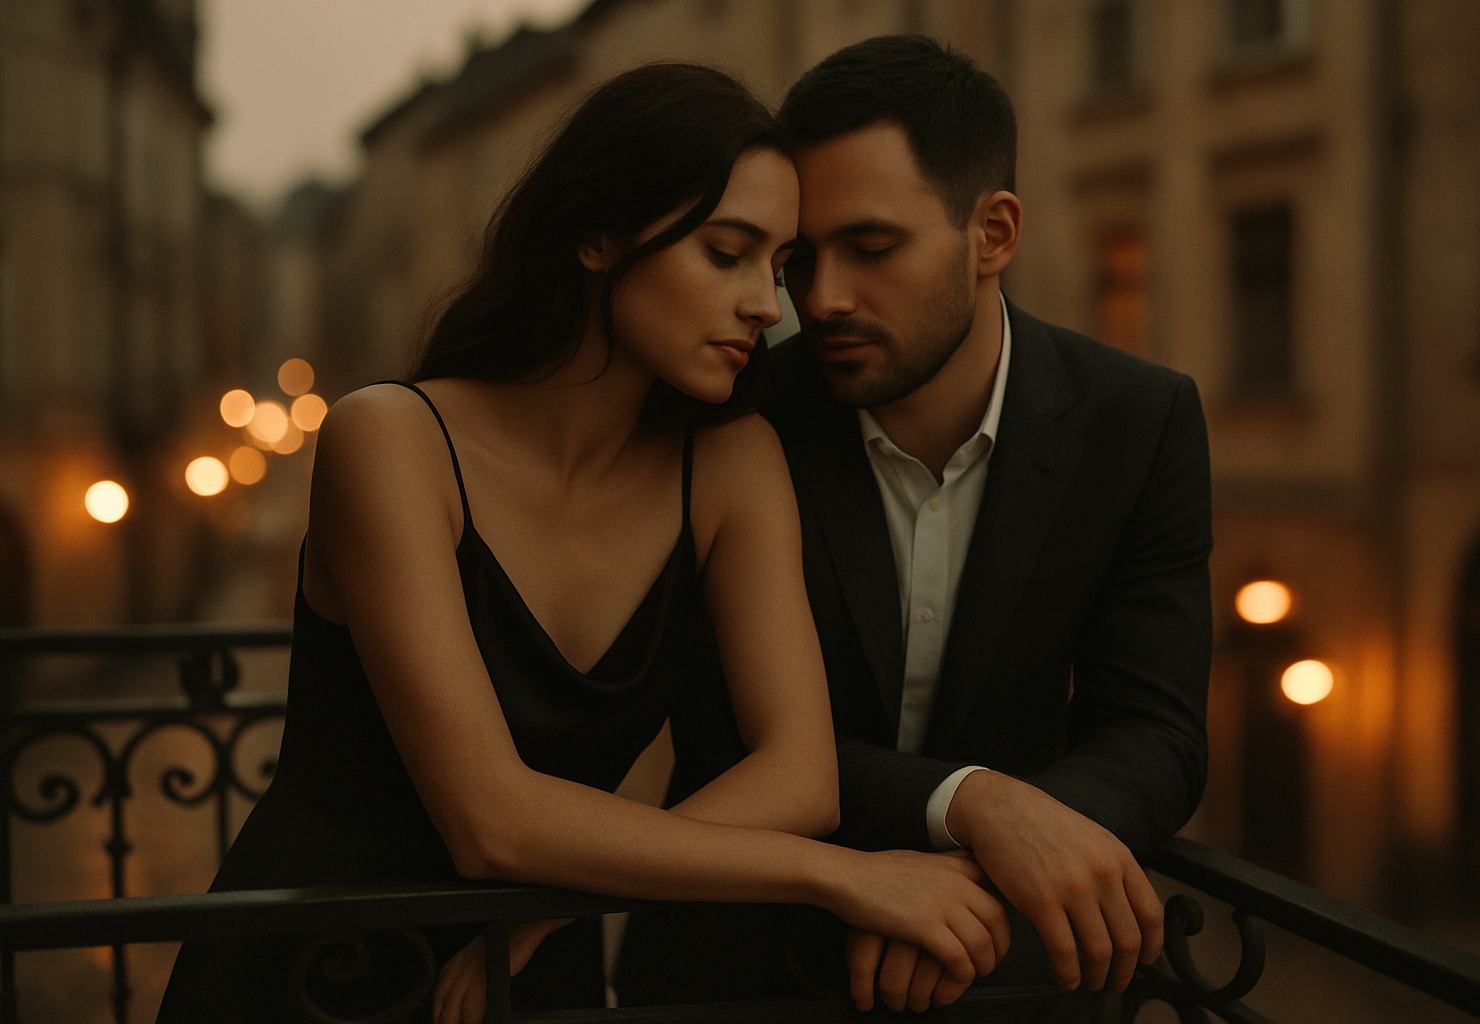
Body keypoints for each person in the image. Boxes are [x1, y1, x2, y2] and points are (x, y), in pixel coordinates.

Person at [155, 62, 1010, 1024]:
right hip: (319, 968)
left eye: (776, 269)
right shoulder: (391, 440)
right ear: (598, 236)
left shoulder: (732, 463)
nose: (771, 308)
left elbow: (800, 777)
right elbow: (491, 823)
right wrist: (847, 878)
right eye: (726, 254)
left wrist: (557, 911)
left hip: (532, 970)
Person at [619, 36, 1212, 1017]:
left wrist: (976, 889)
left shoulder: (1139, 421)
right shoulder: (735, 412)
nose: (820, 300)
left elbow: (1155, 731)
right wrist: (972, 802)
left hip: (998, 981)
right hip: (730, 974)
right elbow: (725, 737)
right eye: (801, 258)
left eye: (873, 247)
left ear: (995, 233)